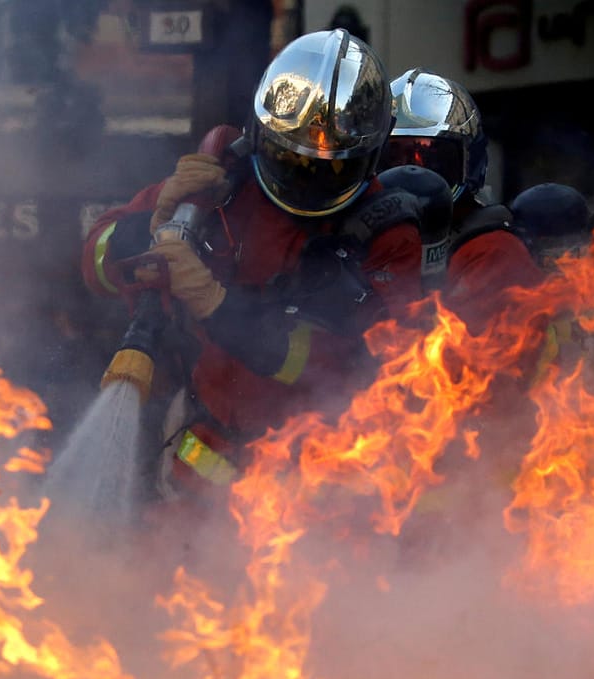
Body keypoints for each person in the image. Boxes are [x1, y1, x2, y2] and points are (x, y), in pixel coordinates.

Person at [79, 29, 424, 497]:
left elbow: (343, 365)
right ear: (260, 132)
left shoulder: (387, 235)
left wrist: (217, 305)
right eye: (290, 157)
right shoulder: (222, 185)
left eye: (329, 165)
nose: (305, 175)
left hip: (320, 496)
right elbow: (94, 264)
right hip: (199, 474)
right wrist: (152, 225)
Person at [383, 70, 540, 318]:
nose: (411, 175)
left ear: (471, 164)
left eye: (428, 156)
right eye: (392, 158)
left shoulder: (494, 251)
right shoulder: (362, 237)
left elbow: (461, 347)